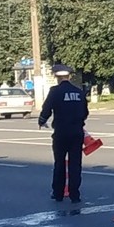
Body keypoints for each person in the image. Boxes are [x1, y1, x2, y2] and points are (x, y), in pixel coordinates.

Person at [38, 63, 89, 203]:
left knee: (59, 163)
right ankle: (75, 194)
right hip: (77, 133)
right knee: (75, 164)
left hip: (61, 133)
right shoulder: (79, 92)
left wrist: (42, 120)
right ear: (69, 76)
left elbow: (47, 109)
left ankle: (58, 193)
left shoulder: (55, 91)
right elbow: (85, 112)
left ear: (56, 77)